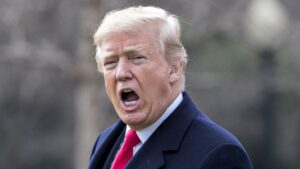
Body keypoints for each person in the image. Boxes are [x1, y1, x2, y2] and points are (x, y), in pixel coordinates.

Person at [88, 6, 253, 169]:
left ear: (174, 69)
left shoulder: (219, 155)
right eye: (111, 62)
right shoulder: (105, 141)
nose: (121, 73)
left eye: (137, 58)